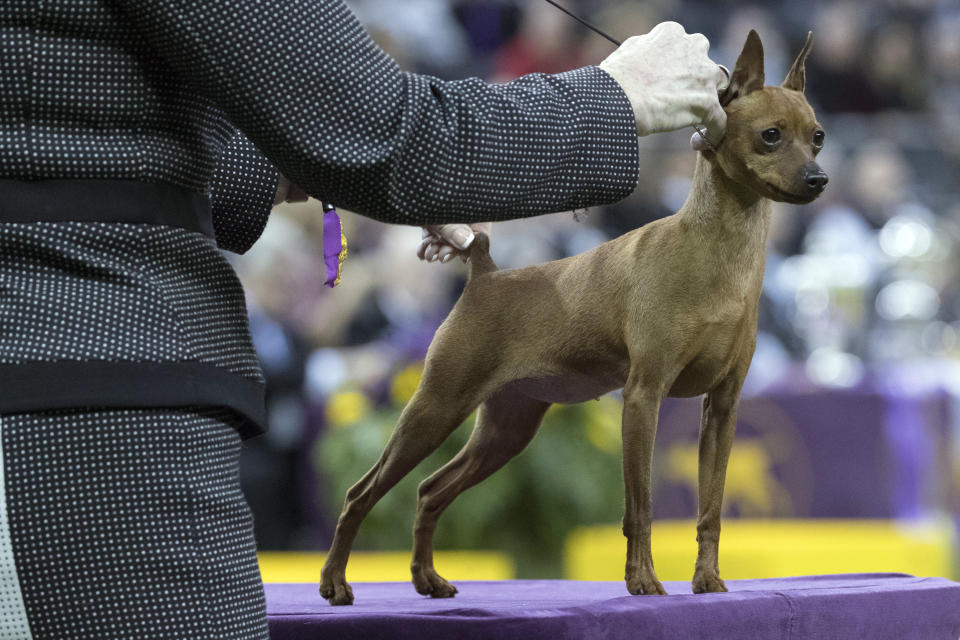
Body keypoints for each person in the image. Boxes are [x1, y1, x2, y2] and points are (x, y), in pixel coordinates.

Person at [0, 0, 727, 636]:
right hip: (81, 415)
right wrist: (615, 95)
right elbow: (387, 130)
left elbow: (92, 137)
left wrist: (331, 170)